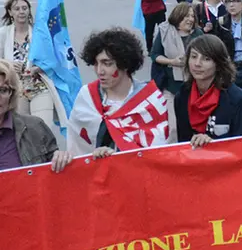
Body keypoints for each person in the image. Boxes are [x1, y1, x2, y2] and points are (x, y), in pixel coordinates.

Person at [51, 28, 170, 172]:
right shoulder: (87, 96)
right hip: (95, 183)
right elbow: (76, 145)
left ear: (125, 64)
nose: (99, 71)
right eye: (96, 63)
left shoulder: (150, 99)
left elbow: (159, 153)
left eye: (107, 63)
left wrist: (119, 156)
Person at [0, 0, 65, 133]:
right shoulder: (3, 33)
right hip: (16, 89)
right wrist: (9, 65)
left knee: (43, 130)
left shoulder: (39, 32)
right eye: (17, 9)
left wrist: (38, 68)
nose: (21, 12)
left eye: (24, 8)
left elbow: (53, 59)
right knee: (22, 132)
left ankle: (45, 154)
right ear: (10, 12)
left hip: (39, 87)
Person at [174, 34, 242, 147]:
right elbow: (183, 143)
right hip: (194, 161)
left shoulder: (238, 99)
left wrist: (213, 143)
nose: (197, 64)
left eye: (206, 59)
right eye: (193, 56)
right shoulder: (182, 96)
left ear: (218, 64)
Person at [151, 2, 204, 143]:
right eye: (186, 16)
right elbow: (155, 55)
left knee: (191, 126)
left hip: (194, 87)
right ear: (178, 16)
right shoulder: (165, 31)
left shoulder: (198, 34)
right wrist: (172, 61)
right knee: (172, 128)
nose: (190, 19)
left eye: (192, 16)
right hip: (171, 87)